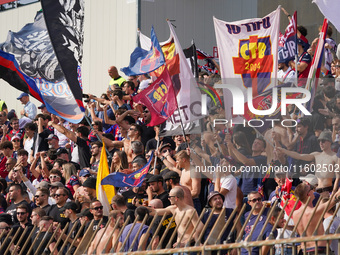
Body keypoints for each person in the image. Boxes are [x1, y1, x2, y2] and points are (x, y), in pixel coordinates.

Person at [278, 130, 339, 196]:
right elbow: (299, 156)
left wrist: (334, 192)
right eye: (319, 141)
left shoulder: (335, 157)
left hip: (328, 191)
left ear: (329, 141)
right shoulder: (316, 155)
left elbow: (338, 177)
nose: (321, 143)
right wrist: (284, 151)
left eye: (323, 141)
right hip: (317, 191)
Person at [293, 183, 340, 254]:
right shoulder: (314, 211)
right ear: (308, 194)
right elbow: (334, 200)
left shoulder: (295, 214)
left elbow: (297, 231)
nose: (313, 190)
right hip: (319, 250)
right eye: (311, 189)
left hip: (304, 250)